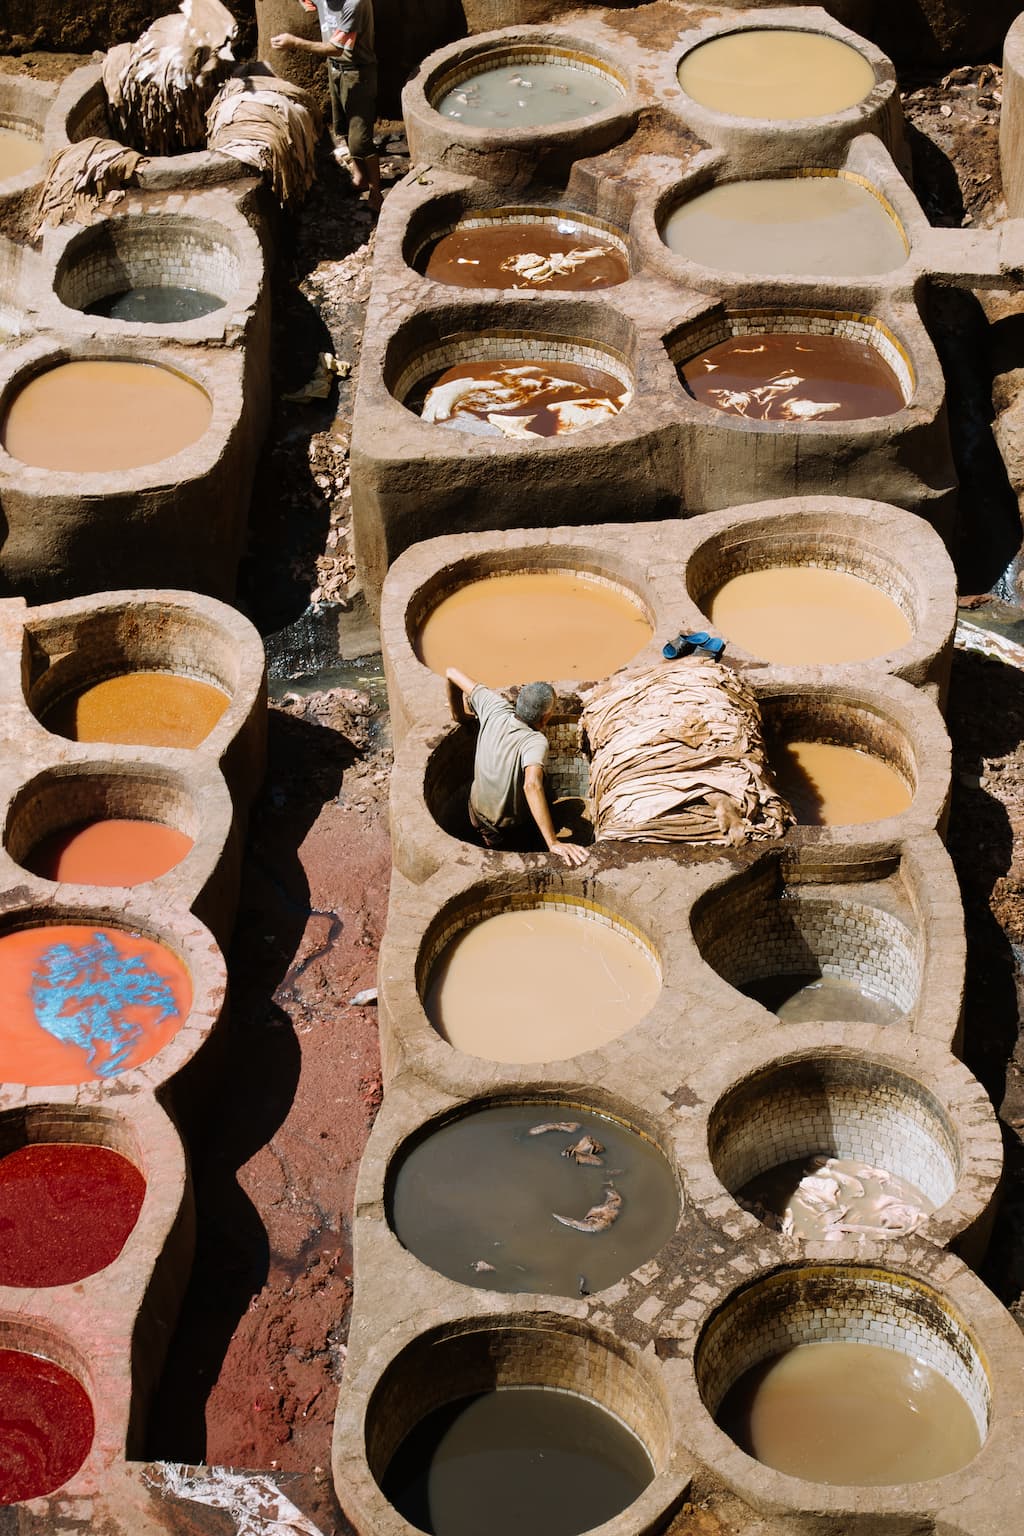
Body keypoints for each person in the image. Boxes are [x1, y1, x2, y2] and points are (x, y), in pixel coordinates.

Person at [446, 667, 589, 868]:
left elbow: (452, 672)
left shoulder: (493, 707)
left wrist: (458, 716)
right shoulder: (534, 741)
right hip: (498, 829)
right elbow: (531, 785)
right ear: (545, 717)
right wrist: (553, 842)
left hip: (474, 810)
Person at [271, 0, 381, 211]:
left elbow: (336, 48)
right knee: (344, 129)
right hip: (336, 70)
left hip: (358, 73)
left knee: (360, 140)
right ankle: (359, 178)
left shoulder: (354, 4)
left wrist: (293, 42)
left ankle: (376, 192)